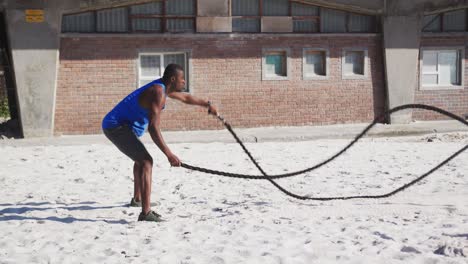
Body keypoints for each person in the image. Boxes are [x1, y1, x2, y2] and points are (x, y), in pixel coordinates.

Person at [102, 64, 218, 222]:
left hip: (123, 127)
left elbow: (186, 98)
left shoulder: (164, 88)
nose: (184, 81)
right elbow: (153, 128)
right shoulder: (158, 92)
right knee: (146, 161)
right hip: (116, 127)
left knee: (140, 160)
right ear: (172, 79)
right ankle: (145, 213)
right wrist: (169, 154)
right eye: (182, 79)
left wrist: (207, 104)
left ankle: (138, 199)